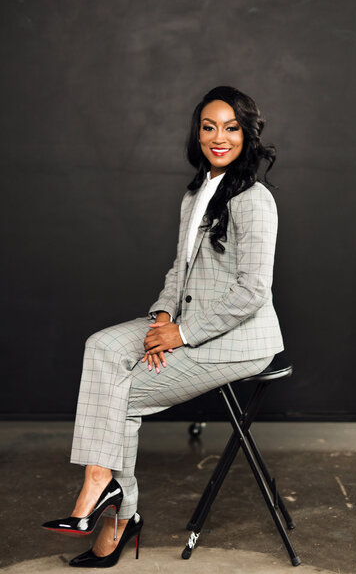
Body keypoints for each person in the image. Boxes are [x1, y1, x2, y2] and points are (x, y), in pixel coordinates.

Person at [41, 85, 284, 567]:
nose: (219, 138)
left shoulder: (254, 200)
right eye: (209, 127)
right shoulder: (196, 192)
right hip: (185, 321)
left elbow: (252, 292)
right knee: (101, 347)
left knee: (115, 400)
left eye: (231, 128)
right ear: (197, 133)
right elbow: (181, 269)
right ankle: (103, 485)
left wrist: (182, 336)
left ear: (247, 136)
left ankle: (111, 511)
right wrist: (162, 318)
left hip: (238, 341)